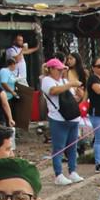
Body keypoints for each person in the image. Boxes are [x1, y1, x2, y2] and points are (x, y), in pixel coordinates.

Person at [40, 58, 83, 186]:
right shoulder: (47, 81)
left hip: (72, 118)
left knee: (72, 147)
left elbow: (71, 99)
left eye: (62, 69)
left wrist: (79, 96)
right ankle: (58, 174)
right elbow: (53, 91)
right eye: (58, 69)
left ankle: (73, 171)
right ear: (51, 69)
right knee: (58, 148)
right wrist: (70, 84)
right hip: (58, 118)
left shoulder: (64, 81)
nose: (61, 72)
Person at [4, 33, 39, 129]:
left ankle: (25, 118)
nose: (21, 42)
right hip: (15, 78)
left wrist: (36, 48)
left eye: (22, 40)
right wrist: (22, 50)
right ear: (14, 41)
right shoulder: (10, 50)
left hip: (23, 78)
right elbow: (17, 59)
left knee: (26, 98)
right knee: (20, 98)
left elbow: (27, 52)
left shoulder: (20, 50)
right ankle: (18, 120)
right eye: (19, 40)